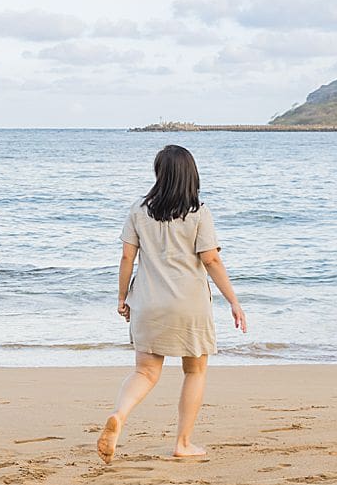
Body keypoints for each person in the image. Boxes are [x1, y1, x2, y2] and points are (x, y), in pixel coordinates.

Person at [97, 144, 246, 464]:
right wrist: (233, 300)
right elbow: (211, 259)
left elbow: (126, 257)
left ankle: (119, 416)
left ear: (158, 174)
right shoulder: (199, 213)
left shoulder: (138, 210)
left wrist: (122, 297)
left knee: (145, 372)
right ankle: (182, 442)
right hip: (189, 305)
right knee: (195, 371)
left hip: (149, 303)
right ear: (191, 176)